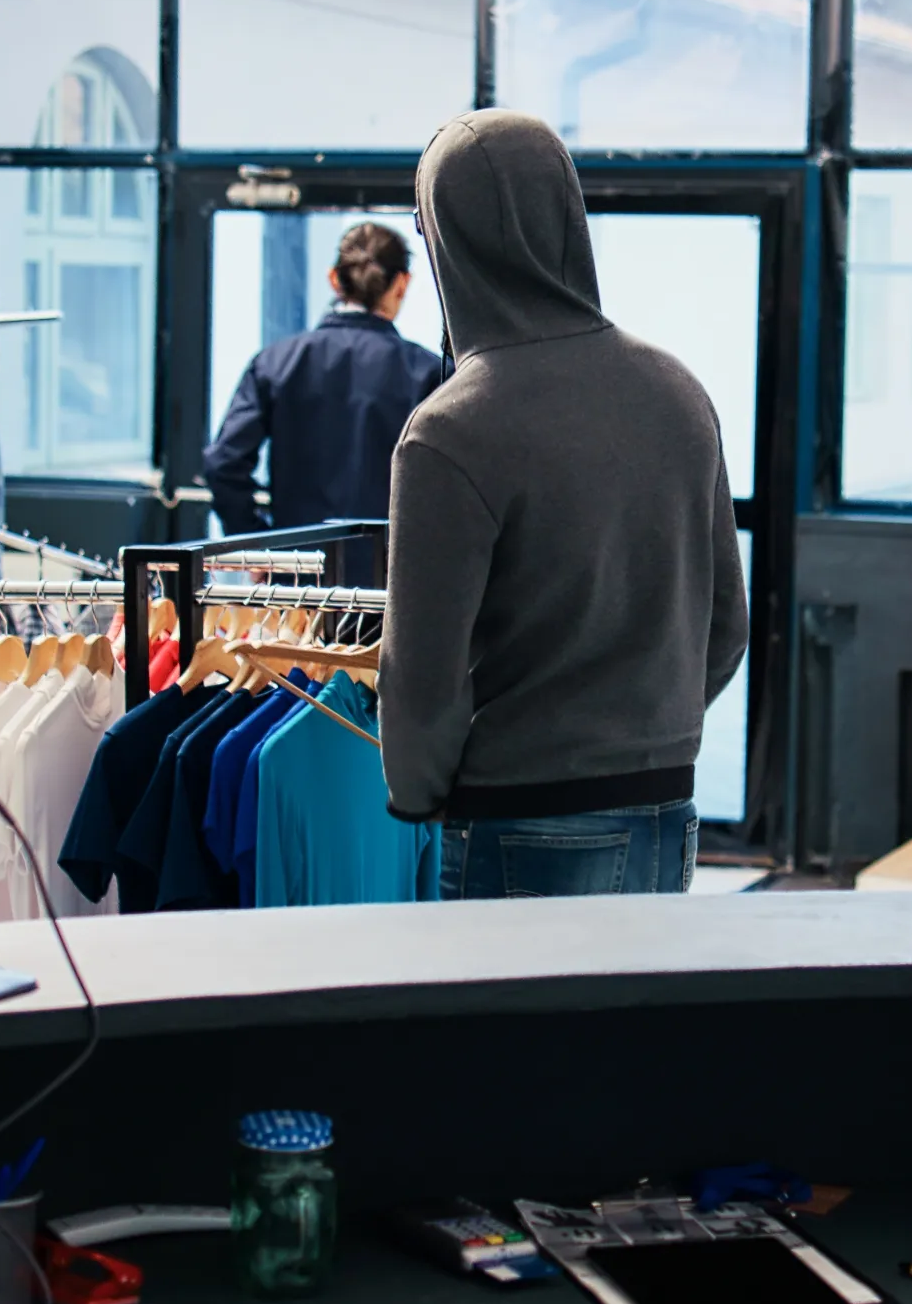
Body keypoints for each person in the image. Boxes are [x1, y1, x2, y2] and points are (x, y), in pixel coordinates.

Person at [380, 109, 749, 898]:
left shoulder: (450, 429)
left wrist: (418, 795)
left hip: (515, 811)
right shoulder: (678, 392)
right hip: (667, 803)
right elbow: (726, 626)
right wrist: (646, 737)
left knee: (500, 992)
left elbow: (422, 679)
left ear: (446, 239)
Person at [202, 222, 444, 553]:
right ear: (402, 283)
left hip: (297, 571)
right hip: (390, 573)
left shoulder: (275, 363)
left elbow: (223, 464)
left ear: (333, 279)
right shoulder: (429, 374)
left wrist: (256, 542)